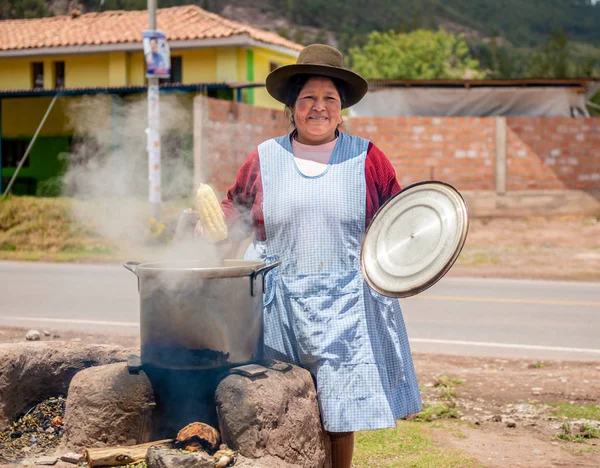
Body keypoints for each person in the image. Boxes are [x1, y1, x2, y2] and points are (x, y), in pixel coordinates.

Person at [209, 44, 422, 468]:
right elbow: (237, 209)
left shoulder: (367, 158)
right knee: (279, 406)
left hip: (346, 304)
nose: (318, 108)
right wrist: (208, 228)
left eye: (329, 99)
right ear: (292, 107)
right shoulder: (265, 158)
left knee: (339, 415)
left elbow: (397, 220)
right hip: (278, 303)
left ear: (342, 109)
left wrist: (413, 254)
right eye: (308, 98)